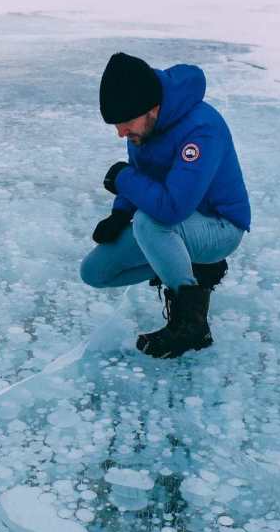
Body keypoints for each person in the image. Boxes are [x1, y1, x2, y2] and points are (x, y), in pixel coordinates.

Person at [79, 52, 251, 358]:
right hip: (176, 228)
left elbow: (173, 208)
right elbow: (141, 173)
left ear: (152, 109)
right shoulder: (143, 126)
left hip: (220, 227)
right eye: (117, 125)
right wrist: (119, 214)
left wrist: (122, 179)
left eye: (125, 123)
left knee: (149, 223)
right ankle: (182, 264)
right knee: (94, 272)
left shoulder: (201, 129)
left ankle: (191, 325)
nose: (121, 133)